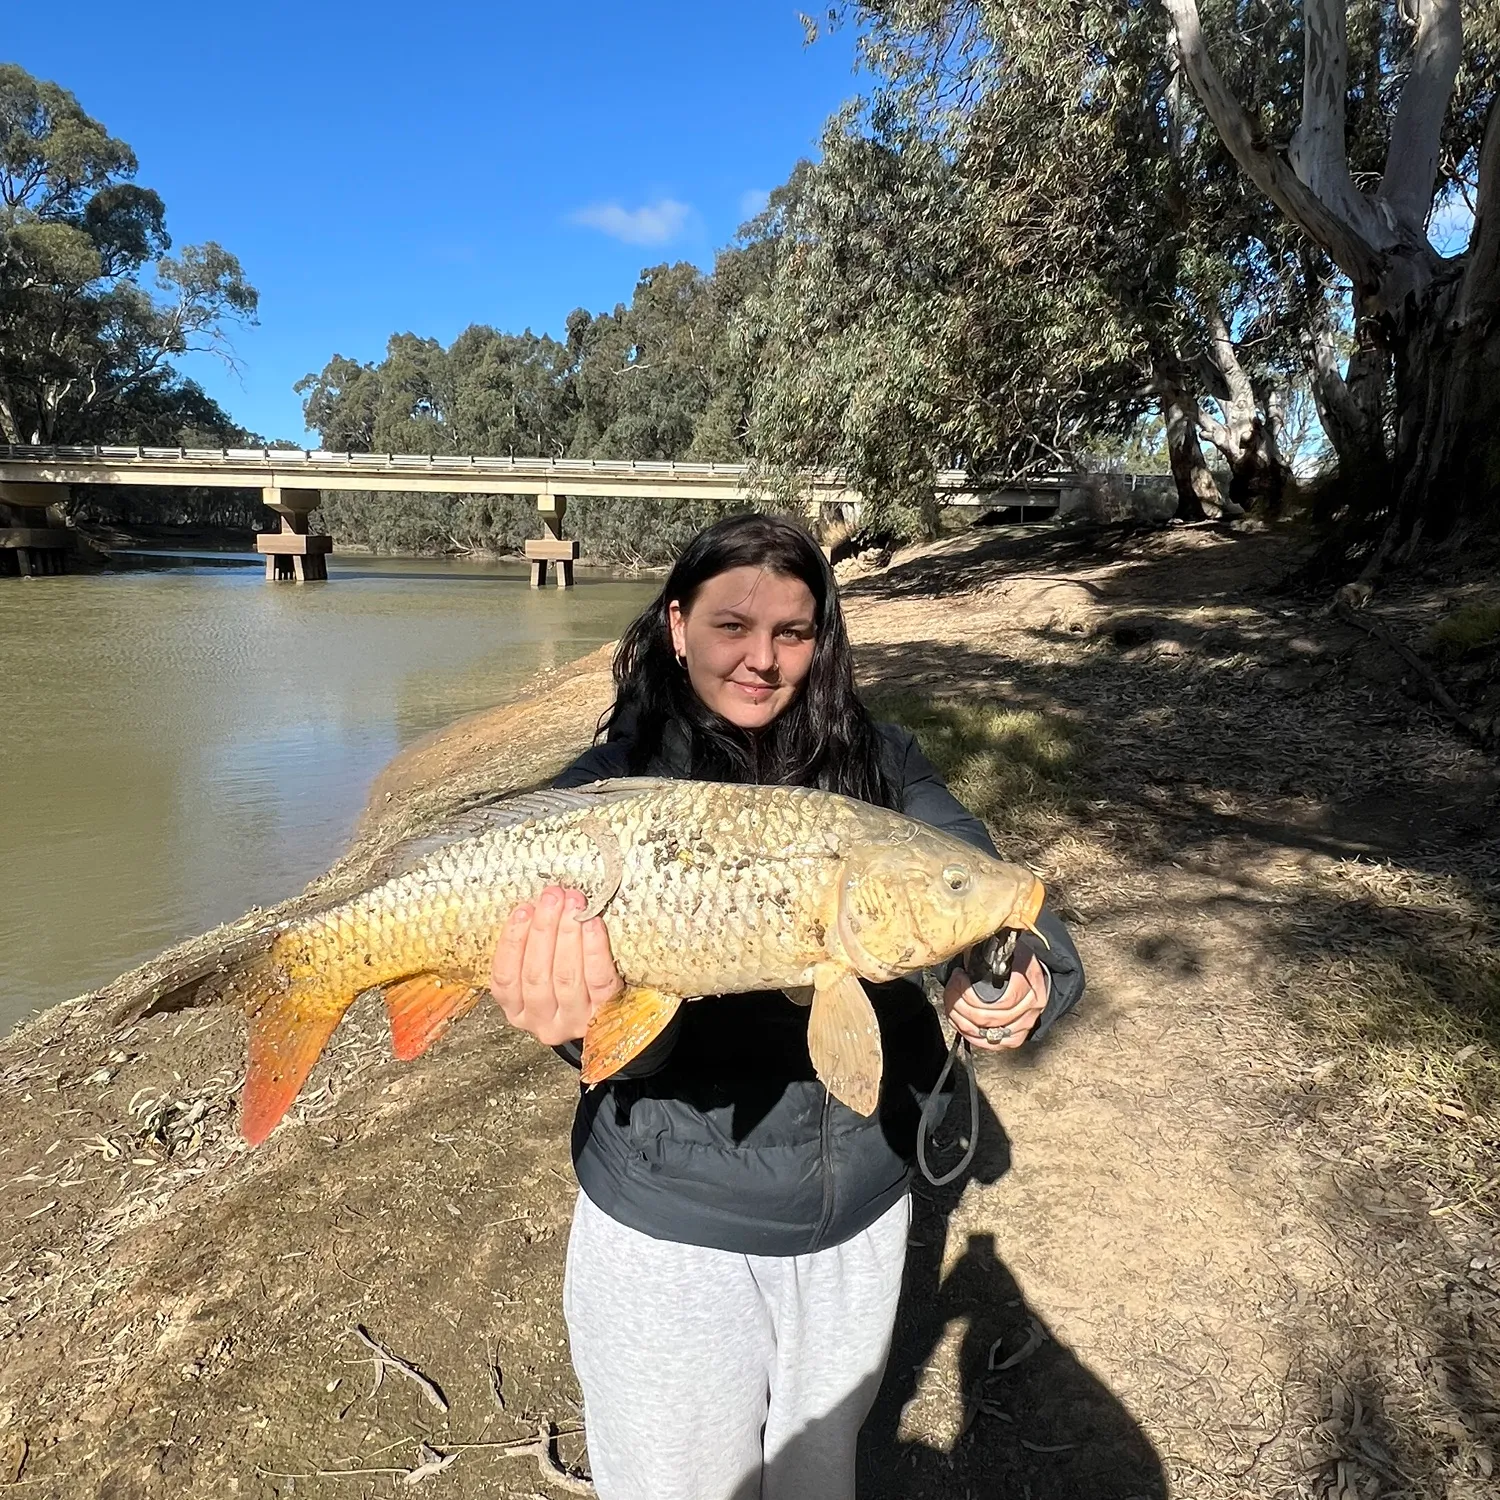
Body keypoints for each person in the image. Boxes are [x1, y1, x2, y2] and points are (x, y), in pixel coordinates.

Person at [488, 513, 1084, 1500]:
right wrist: (585, 1019)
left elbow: (974, 877)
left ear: (823, 638)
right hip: (671, 1238)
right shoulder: (613, 788)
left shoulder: (882, 767)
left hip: (857, 1225)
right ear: (677, 626)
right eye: (732, 626)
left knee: (819, 1481)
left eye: (793, 633)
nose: (762, 660)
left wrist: (1019, 962)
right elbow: (604, 1046)